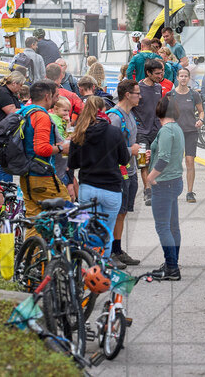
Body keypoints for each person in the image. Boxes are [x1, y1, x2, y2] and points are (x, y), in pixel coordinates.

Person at [67, 95, 130, 264]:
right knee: (107, 231)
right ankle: (103, 266)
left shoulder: (79, 132)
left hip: (88, 187)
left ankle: (89, 262)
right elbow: (124, 159)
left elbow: (72, 163)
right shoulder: (114, 132)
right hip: (111, 188)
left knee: (90, 229)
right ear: (102, 110)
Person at [18, 81, 70, 225]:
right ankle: (62, 246)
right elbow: (41, 149)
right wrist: (61, 148)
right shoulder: (41, 116)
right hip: (42, 174)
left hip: (26, 174)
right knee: (67, 208)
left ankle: (34, 247)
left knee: (35, 221)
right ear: (47, 96)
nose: (57, 99)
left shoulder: (25, 111)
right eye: (56, 96)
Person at [146, 95, 185, 281]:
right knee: (173, 227)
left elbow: (164, 158)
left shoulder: (166, 131)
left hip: (164, 182)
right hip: (175, 180)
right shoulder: (176, 129)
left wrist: (150, 177)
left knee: (163, 227)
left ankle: (172, 268)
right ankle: (172, 262)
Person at [106, 78, 143, 268]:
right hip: (118, 171)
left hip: (130, 169)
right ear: (127, 95)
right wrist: (131, 151)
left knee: (123, 213)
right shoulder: (114, 117)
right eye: (137, 93)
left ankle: (118, 249)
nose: (140, 96)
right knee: (115, 213)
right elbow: (108, 148)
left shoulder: (129, 114)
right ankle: (110, 252)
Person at [169, 67, 204, 202]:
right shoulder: (171, 95)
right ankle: (172, 190)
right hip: (175, 132)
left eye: (186, 76)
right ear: (177, 78)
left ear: (189, 78)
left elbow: (201, 111)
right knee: (174, 162)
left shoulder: (194, 95)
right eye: (181, 76)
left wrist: (201, 120)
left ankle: (190, 192)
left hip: (190, 132)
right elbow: (165, 113)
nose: (183, 78)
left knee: (190, 161)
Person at [135, 59, 166, 206]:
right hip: (141, 131)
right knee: (143, 162)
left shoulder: (158, 87)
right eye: (157, 73)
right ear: (148, 73)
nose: (160, 76)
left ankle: (154, 187)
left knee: (155, 161)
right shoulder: (137, 88)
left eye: (162, 73)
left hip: (156, 130)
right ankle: (147, 191)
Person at [0, 71, 24, 183]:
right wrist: (27, 109)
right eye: (20, 85)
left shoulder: (5, 91)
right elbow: (12, 111)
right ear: (15, 83)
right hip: (0, 134)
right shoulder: (2, 93)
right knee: (5, 166)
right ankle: (5, 195)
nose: (21, 88)